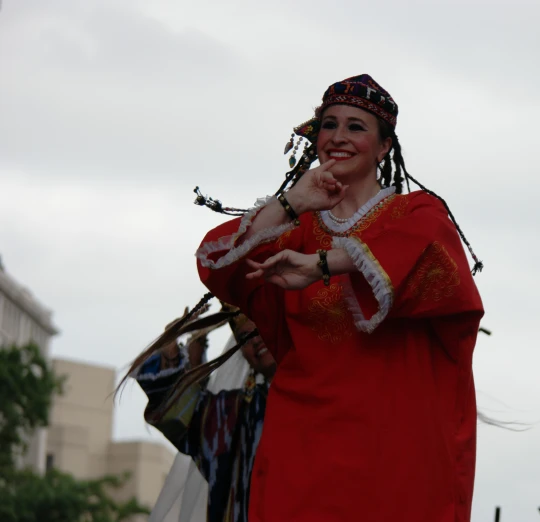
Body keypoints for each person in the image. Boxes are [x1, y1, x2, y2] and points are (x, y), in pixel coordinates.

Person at [196, 74, 484, 522]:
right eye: (329, 125)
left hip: (396, 452)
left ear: (384, 145)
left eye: (356, 126)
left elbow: (423, 251)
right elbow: (218, 263)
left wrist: (324, 264)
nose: (339, 137)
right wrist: (292, 202)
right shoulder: (295, 230)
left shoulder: (416, 214)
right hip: (302, 444)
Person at [130, 307, 274, 522]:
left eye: (263, 329)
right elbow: (178, 412)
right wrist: (172, 352)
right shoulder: (235, 417)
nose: (256, 340)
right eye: (245, 337)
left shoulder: (325, 392)